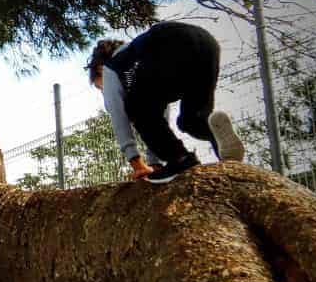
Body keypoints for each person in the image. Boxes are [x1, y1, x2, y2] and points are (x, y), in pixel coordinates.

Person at [86, 21, 245, 184]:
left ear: (99, 69)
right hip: (206, 43)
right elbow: (159, 114)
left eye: (100, 88)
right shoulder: (139, 56)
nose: (104, 93)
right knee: (192, 120)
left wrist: (138, 164)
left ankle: (181, 159)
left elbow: (119, 117)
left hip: (168, 41)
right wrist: (155, 163)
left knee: (135, 106)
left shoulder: (111, 67)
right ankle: (228, 157)